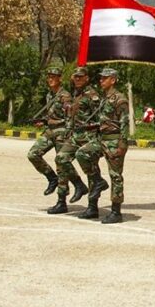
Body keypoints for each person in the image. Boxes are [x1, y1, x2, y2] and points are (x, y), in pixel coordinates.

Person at [46, 67, 97, 215]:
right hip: (75, 136)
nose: (77, 79)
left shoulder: (92, 95)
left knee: (92, 171)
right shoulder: (76, 94)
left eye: (81, 77)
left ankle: (92, 206)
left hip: (89, 137)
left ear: (87, 78)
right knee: (61, 159)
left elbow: (99, 117)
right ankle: (79, 186)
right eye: (75, 77)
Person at [89, 68, 129, 224]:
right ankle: (98, 181)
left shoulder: (120, 99)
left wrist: (122, 144)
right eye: (100, 78)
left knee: (115, 175)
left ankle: (116, 211)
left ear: (113, 80)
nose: (101, 81)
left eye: (104, 78)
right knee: (83, 154)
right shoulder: (104, 98)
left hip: (114, 140)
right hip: (101, 139)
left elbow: (124, 122)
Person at [27, 67, 72, 195]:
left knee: (61, 165)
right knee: (33, 154)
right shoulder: (49, 95)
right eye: (49, 77)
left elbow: (69, 117)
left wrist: (68, 134)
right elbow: (52, 115)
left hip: (61, 132)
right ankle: (51, 178)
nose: (50, 79)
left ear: (60, 79)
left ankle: (62, 198)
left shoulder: (65, 96)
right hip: (50, 131)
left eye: (53, 77)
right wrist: (44, 121)